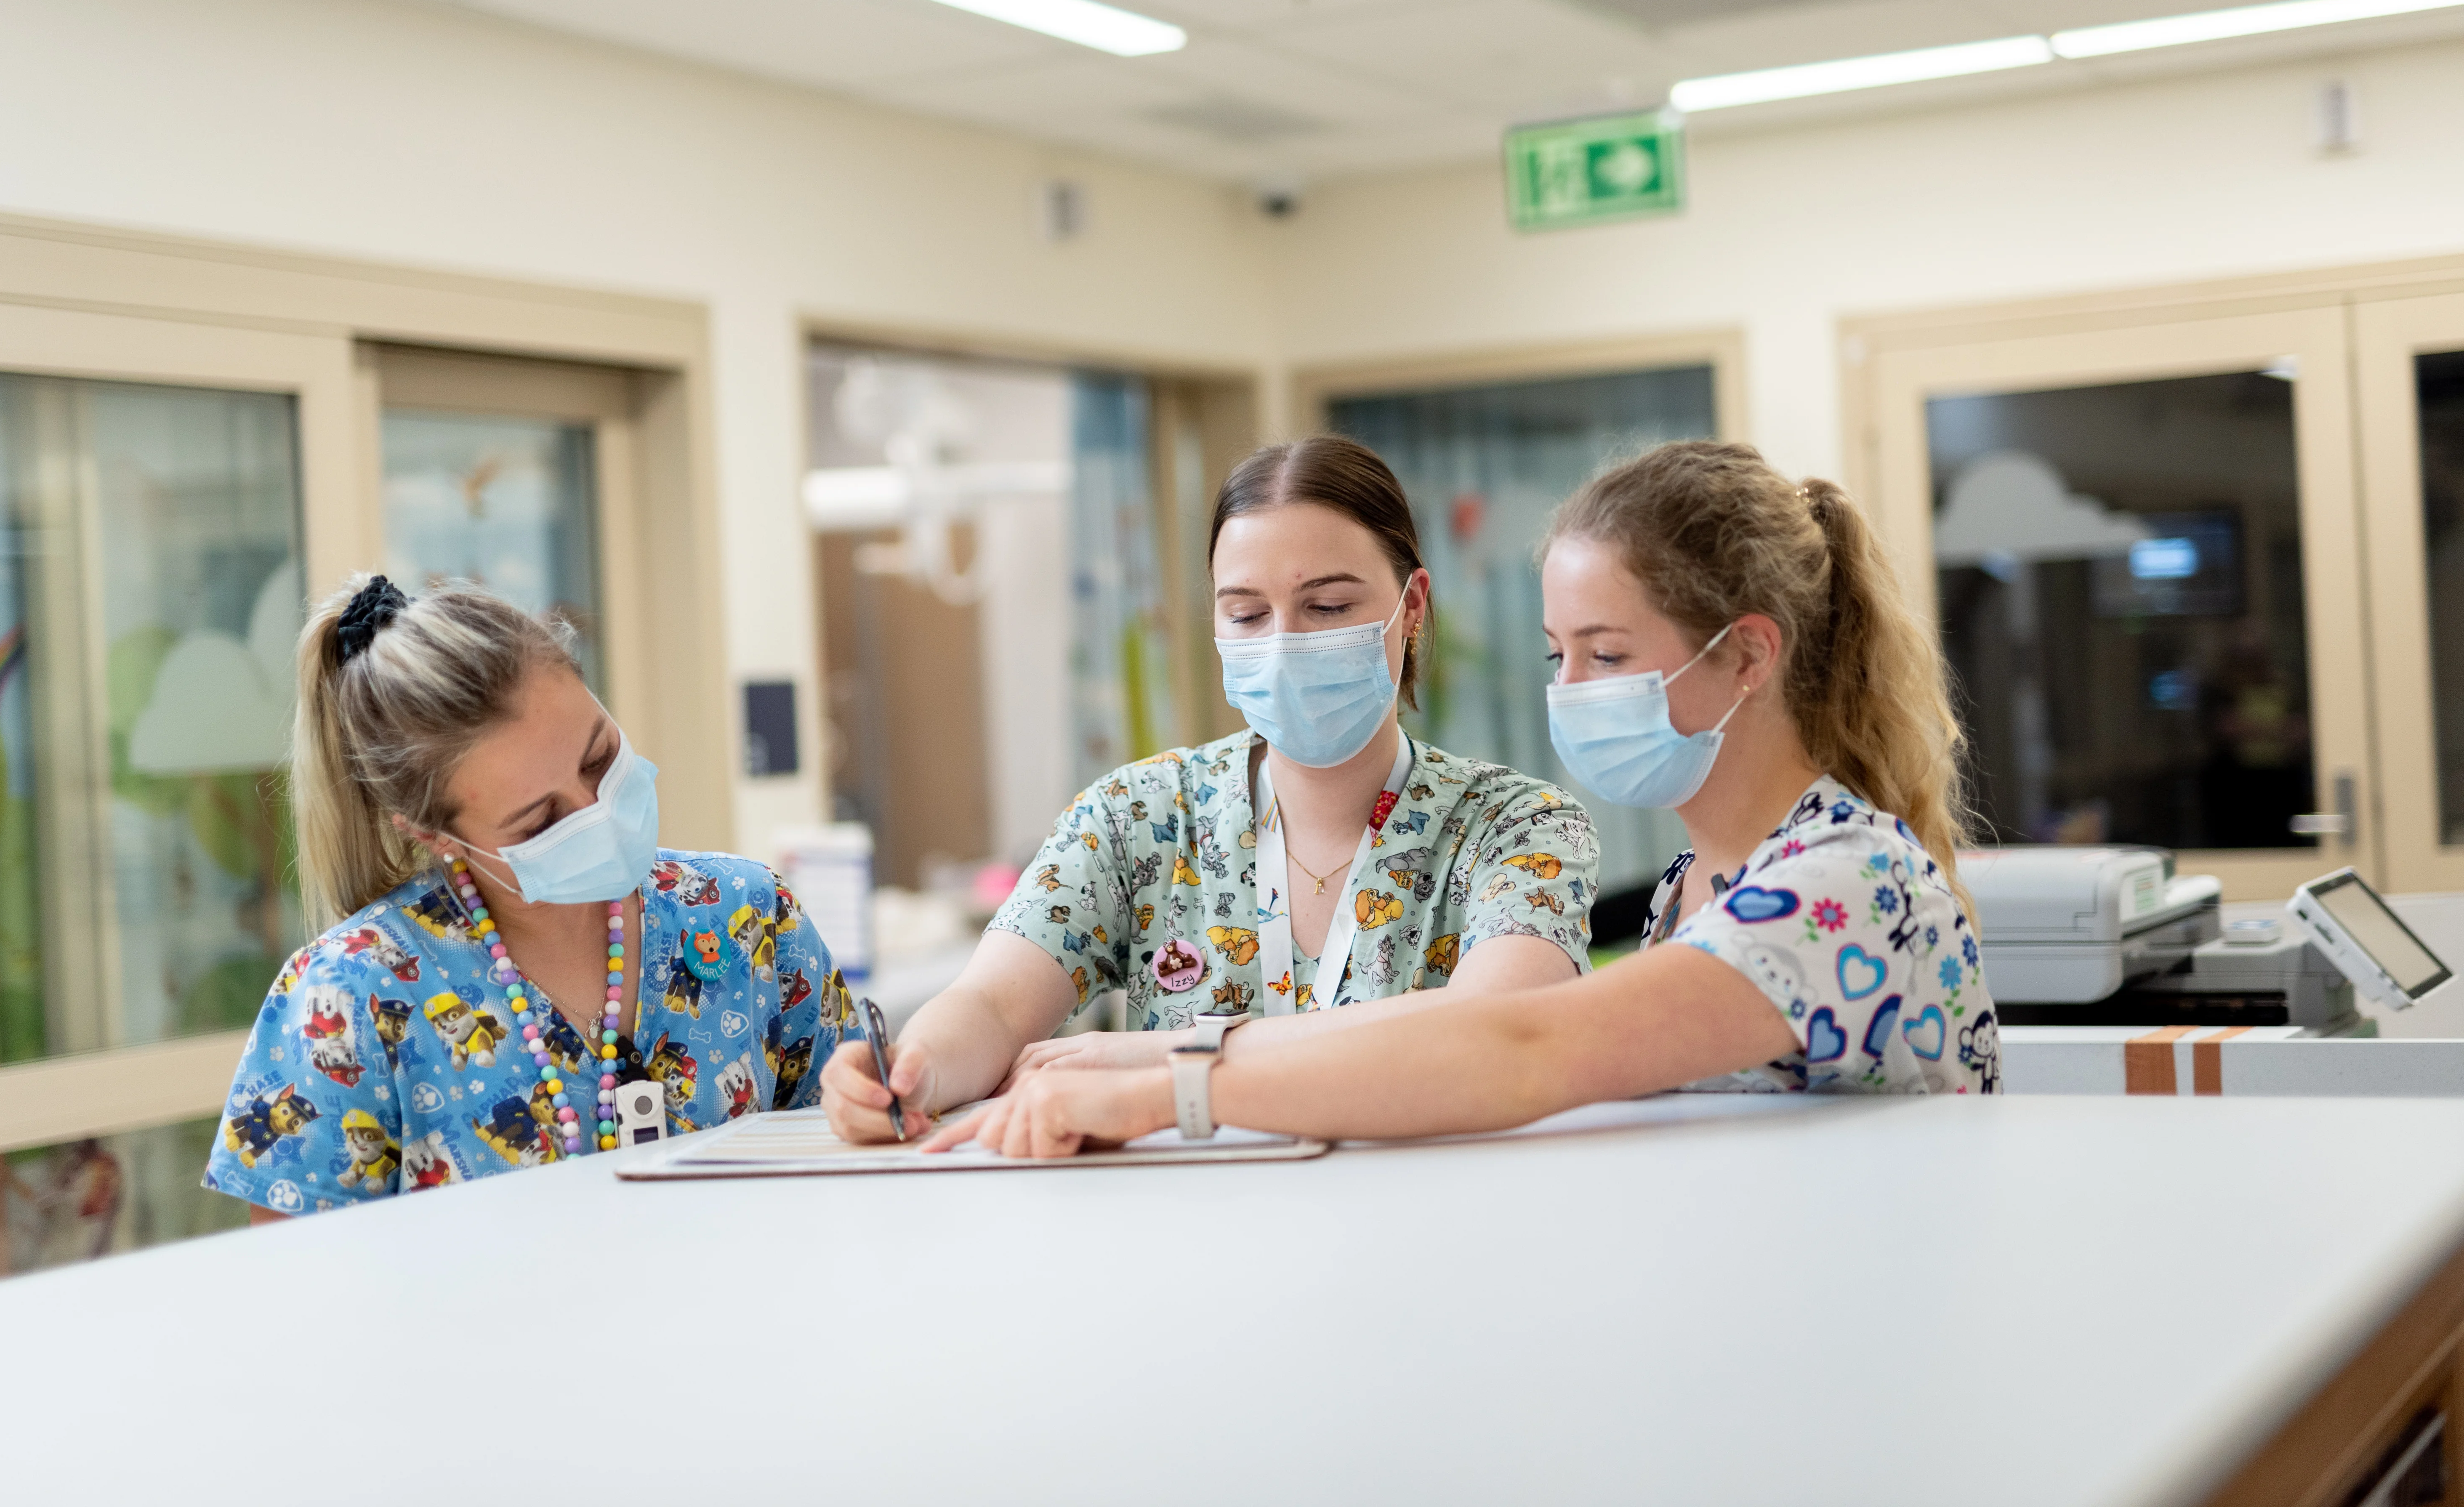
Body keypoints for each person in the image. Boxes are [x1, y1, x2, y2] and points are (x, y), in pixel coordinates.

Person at [943, 440, 1997, 1157]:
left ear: (1746, 656)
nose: (1568, 693)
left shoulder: (1843, 882)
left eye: (1606, 654)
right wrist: (1150, 1053)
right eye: (1557, 653)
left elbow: (1522, 1042)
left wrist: (1166, 1081)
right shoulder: (1705, 886)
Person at [822, 436, 1599, 1142]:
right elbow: (991, 1007)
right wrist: (910, 1069)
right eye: (1248, 613)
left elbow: (1495, 1027)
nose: (1285, 643)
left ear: (1413, 608)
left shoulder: (1517, 829)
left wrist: (1167, 1057)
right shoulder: (1138, 820)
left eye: (1329, 607)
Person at [204, 575, 852, 1218]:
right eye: (541, 822)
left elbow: (857, 1156)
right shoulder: (352, 996)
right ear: (432, 834)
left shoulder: (747, 916)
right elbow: (295, 1289)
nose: (596, 810)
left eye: (598, 758)